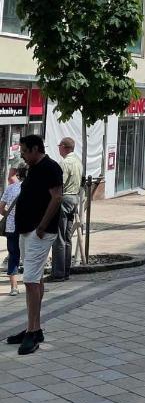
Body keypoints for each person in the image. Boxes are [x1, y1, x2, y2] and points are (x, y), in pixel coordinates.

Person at [6, 135, 63, 356]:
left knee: (29, 280)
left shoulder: (50, 167)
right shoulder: (33, 168)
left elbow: (56, 197)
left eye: (25, 151)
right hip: (27, 230)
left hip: (39, 233)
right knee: (35, 278)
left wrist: (42, 226)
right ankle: (33, 328)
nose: (22, 154)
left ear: (36, 149)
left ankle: (32, 332)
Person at [49, 136, 83, 282]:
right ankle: (66, 271)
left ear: (64, 147)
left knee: (59, 237)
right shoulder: (78, 161)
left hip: (64, 198)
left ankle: (58, 273)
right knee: (67, 237)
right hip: (75, 198)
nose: (58, 149)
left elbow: (59, 184)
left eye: (59, 146)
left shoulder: (65, 163)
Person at [1, 159, 26, 296]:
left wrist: (10, 216)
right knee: (29, 256)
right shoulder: (30, 188)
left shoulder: (10, 188)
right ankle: (33, 284)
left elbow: (1, 209)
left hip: (11, 227)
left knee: (13, 256)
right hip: (26, 228)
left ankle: (14, 287)